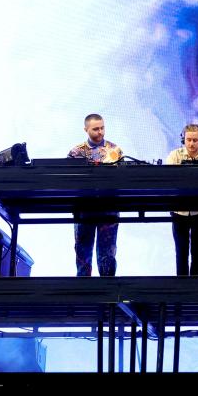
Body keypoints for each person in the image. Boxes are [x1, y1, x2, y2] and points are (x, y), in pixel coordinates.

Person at [67, 114, 123, 276]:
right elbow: (69, 181)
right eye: (96, 129)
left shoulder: (115, 150)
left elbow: (123, 179)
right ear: (86, 130)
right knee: (83, 252)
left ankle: (108, 295)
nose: (100, 132)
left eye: (102, 128)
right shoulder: (76, 152)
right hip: (84, 209)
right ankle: (84, 293)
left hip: (109, 208)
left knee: (108, 253)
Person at [166, 124, 198, 276]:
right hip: (179, 212)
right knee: (181, 253)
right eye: (188, 140)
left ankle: (197, 288)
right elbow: (167, 181)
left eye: (195, 140)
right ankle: (182, 291)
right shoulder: (174, 156)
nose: (191, 143)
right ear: (183, 139)